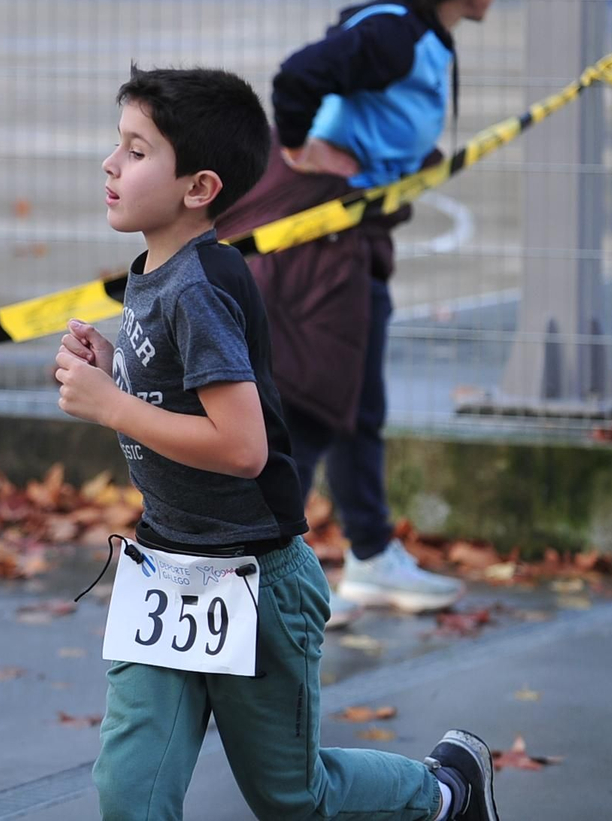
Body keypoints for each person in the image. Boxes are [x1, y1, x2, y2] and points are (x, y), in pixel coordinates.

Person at [54, 67, 499, 821]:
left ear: (198, 187)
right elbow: (173, 396)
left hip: (255, 578)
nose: (111, 163)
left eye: (136, 150)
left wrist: (112, 407)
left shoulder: (198, 285)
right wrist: (112, 368)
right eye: (117, 144)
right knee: (130, 790)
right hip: (170, 566)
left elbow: (241, 447)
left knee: (293, 798)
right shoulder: (153, 272)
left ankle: (447, 791)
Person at [217, 0, 513, 628]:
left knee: (357, 405)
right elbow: (296, 80)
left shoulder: (417, 34)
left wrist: (408, 166)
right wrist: (304, 149)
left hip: (355, 234)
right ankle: (259, 572)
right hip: (322, 237)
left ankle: (372, 553)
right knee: (318, 404)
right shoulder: (393, 34)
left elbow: (381, 119)